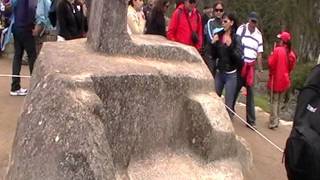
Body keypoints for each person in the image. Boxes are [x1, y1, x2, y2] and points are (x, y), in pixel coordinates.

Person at [211, 12, 243, 119]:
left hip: (231, 75)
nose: (223, 23)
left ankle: (228, 126)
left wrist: (230, 47)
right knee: (214, 99)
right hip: (220, 73)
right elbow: (213, 55)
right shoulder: (219, 35)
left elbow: (239, 59)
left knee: (229, 105)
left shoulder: (236, 38)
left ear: (232, 23)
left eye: (225, 21)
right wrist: (214, 44)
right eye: (222, 21)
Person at [235, 11, 264, 129]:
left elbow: (259, 53)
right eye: (252, 21)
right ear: (249, 20)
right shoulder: (241, 29)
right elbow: (235, 45)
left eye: (255, 22)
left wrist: (260, 69)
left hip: (250, 67)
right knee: (234, 90)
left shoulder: (258, 34)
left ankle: (251, 121)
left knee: (250, 94)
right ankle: (228, 112)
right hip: (240, 64)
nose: (253, 24)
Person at [267, 31, 296, 129]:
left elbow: (271, 64)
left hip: (276, 79)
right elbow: (291, 68)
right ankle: (277, 119)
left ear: (283, 41)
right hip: (285, 80)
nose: (279, 41)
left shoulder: (277, 50)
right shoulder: (291, 54)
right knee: (279, 101)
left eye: (280, 39)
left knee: (274, 101)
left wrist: (271, 55)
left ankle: (273, 121)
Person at [9, 0, 38, 96]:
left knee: (17, 57)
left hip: (17, 28)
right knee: (32, 57)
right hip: (26, 29)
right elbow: (31, 12)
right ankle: (35, 87)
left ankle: (15, 87)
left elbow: (13, 8)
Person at [203, 0, 224, 77]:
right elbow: (211, 39)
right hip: (210, 54)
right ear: (214, 11)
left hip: (221, 54)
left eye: (221, 10)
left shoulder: (225, 23)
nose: (219, 12)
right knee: (211, 76)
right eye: (217, 10)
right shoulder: (210, 22)